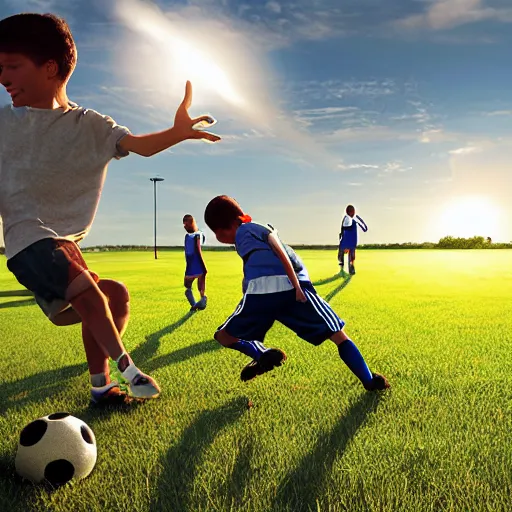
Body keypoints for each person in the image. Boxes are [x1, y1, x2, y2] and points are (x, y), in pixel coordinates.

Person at [0, 13, 220, 405]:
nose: (3, 78)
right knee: (89, 291)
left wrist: (178, 133)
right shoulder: (3, 124)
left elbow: (141, 145)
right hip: (29, 241)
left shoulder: (91, 124)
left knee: (114, 296)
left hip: (62, 247)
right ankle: (129, 368)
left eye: (12, 67)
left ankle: (101, 387)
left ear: (50, 68)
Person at [203, 195, 389, 391]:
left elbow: (278, 249)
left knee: (224, 336)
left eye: (217, 231)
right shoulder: (247, 236)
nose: (217, 237)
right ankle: (370, 381)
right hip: (290, 289)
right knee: (337, 335)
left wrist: (294, 286)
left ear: (230, 224)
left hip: (275, 291)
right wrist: (296, 286)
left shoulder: (251, 228)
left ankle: (261, 354)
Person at [183, 214, 207, 311]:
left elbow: (198, 249)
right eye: (184, 225)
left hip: (196, 263)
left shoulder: (197, 235)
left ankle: (201, 301)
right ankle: (196, 304)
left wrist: (202, 265)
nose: (184, 226)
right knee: (188, 285)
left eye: (186, 224)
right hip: (192, 264)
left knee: (195, 285)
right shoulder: (188, 236)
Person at [338, 205, 368, 274]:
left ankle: (344, 269)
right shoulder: (351, 220)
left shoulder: (347, 219)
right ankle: (350, 267)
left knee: (343, 256)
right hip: (350, 242)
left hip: (347, 242)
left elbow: (344, 232)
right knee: (350, 255)